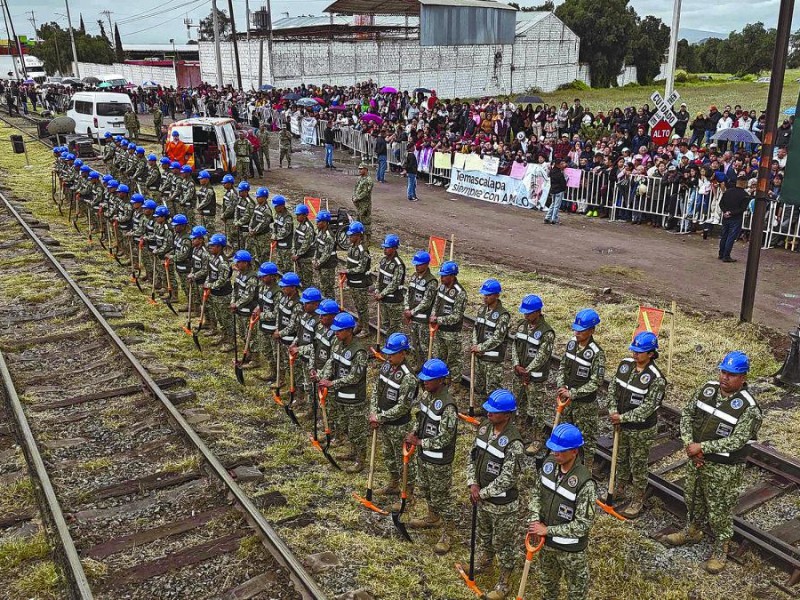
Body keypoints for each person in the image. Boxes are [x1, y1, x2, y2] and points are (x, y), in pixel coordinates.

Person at [663, 351, 762, 574]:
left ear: (743, 377)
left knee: (719, 509)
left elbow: (737, 440)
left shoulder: (749, 408)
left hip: (724, 468)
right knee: (692, 497)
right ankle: (693, 531)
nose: (725, 378)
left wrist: (703, 448)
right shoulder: (706, 389)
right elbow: (687, 414)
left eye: (732, 375)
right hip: (695, 459)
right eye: (723, 372)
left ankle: (721, 548)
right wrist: (690, 445)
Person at [466, 389, 525, 600]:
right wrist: (472, 482)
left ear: (507, 415)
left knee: (504, 543)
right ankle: (485, 560)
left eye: (494, 412)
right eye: (488, 411)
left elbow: (508, 478)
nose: (489, 414)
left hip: (503, 505)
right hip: (482, 499)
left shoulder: (514, 443)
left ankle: (505, 580)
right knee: (485, 534)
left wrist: (483, 493)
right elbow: (472, 457)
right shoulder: (484, 429)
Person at [527, 424, 597, 600]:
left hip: (571, 551)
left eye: (560, 450)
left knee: (576, 592)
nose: (555, 453)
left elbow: (583, 525)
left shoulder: (584, 483)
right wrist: (535, 520)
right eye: (553, 449)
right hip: (546, 545)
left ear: (574, 451)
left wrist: (548, 530)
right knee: (547, 586)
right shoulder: (549, 465)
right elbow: (536, 492)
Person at [607, 331, 666, 519]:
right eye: (633, 350)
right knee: (621, 459)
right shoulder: (625, 366)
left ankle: (638, 499)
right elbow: (612, 389)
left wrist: (622, 418)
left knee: (638, 464)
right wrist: (613, 410)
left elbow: (648, 408)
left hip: (641, 430)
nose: (635, 355)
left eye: (639, 352)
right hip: (621, 425)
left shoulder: (656, 378)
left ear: (650, 354)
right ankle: (620, 489)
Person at [405, 358, 458, 555]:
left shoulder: (448, 406)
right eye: (424, 380)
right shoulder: (426, 397)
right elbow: (420, 419)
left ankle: (448, 532)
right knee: (426, 489)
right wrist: (413, 434)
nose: (425, 383)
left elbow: (445, 437)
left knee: (442, 497)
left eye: (429, 380)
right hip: (423, 456)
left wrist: (421, 443)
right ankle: (432, 516)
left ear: (441, 380)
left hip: (439, 460)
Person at [369, 333, 418, 507]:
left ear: (403, 353)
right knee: (389, 456)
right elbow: (376, 390)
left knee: (403, 461)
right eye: (388, 353)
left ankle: (408, 493)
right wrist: (374, 412)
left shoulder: (408, 378)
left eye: (393, 353)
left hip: (399, 426)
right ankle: (393, 483)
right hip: (383, 422)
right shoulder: (386, 367)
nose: (388, 356)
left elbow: (403, 407)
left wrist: (380, 417)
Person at [319, 312, 369, 474]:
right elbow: (331, 362)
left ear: (349, 330)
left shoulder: (359, 351)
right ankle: (352, 452)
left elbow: (355, 377)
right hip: (340, 394)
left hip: (354, 398)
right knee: (344, 425)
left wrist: (332, 383)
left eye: (339, 330)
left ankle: (360, 460)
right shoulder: (338, 343)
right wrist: (324, 377)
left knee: (357, 431)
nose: (336, 333)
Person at [557, 309, 605, 473]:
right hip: (567, 401)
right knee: (566, 435)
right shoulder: (571, 344)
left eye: (581, 330)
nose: (577, 333)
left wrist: (574, 393)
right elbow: (562, 366)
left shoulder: (597, 354)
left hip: (585, 406)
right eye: (576, 329)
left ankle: (587, 470)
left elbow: (596, 382)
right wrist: (561, 385)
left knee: (587, 440)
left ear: (591, 330)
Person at [511, 294, 555, 455]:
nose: (526, 316)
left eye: (529, 313)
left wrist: (527, 371)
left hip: (535, 379)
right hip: (519, 374)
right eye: (525, 313)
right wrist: (516, 365)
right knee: (519, 404)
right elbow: (514, 346)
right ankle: (520, 430)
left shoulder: (547, 333)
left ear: (538, 312)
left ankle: (537, 439)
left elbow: (542, 356)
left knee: (537, 410)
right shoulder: (521, 325)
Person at [471, 279, 510, 409]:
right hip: (480, 356)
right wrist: (475, 345)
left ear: (497, 295)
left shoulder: (503, 315)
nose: (485, 297)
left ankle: (494, 411)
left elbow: (498, 337)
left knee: (492, 388)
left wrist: (481, 347)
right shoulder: (482, 309)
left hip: (493, 359)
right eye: (484, 295)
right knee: (480, 385)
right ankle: (481, 408)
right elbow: (475, 329)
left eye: (488, 295)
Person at [430, 261, 467, 393]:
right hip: (439, 330)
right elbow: (436, 304)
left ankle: (455, 383)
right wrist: (433, 316)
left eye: (444, 276)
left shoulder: (460, 293)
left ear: (452, 276)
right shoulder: (441, 288)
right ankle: (444, 379)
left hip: (452, 333)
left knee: (454, 359)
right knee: (440, 356)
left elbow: (456, 316)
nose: (442, 278)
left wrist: (438, 319)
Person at [290, 286, 323, 415]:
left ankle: (318, 413)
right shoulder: (305, 315)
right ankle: (310, 408)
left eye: (307, 303)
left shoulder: (320, 321)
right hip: (304, 357)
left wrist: (299, 349)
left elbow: (317, 346)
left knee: (314, 387)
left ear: (315, 304)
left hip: (314, 360)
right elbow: (300, 332)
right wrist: (294, 344)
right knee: (307, 385)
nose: (304, 305)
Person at [403, 250, 438, 371]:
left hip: (423, 320)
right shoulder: (414, 276)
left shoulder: (431, 281)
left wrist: (412, 312)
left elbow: (427, 302)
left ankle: (428, 368)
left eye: (419, 264)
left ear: (426, 264)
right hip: (412, 318)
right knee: (414, 344)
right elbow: (408, 293)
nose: (417, 266)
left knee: (425, 346)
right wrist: (407, 308)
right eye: (416, 264)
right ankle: (417, 364)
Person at [229, 250, 259, 362]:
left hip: (248, 310)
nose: (236, 264)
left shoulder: (252, 277)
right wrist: (233, 302)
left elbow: (248, 296)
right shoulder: (238, 274)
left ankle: (255, 359)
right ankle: (248, 354)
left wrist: (236, 304)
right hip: (239, 310)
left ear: (246, 263)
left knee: (251, 336)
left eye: (238, 262)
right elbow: (234, 290)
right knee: (242, 333)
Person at [274, 272, 303, 386]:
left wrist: (280, 333)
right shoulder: (283, 298)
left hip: (290, 340)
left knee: (294, 369)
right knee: (284, 363)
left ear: (293, 287)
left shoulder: (298, 305)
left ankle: (298, 394)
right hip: (281, 337)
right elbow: (279, 315)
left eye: (285, 286)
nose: (283, 288)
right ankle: (284, 382)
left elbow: (293, 326)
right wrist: (277, 329)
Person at [343, 222, 371, 337]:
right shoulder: (351, 248)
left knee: (363, 307)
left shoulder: (363, 250)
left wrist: (347, 272)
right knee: (357, 305)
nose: (349, 237)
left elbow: (361, 268)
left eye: (352, 235)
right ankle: (359, 324)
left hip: (361, 283)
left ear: (359, 235)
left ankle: (366, 328)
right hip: (352, 282)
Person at [254, 261, 281, 382]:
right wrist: (258, 308)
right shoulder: (262, 286)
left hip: (273, 327)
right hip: (263, 326)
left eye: (264, 276)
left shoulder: (278, 292)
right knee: (266, 351)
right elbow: (261, 302)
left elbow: (277, 314)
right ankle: (272, 371)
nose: (262, 278)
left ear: (272, 276)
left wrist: (262, 315)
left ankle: (280, 377)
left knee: (277, 355)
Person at [374, 234, 406, 337]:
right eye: (384, 247)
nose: (385, 249)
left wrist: (382, 294)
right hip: (383, 300)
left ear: (394, 248)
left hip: (394, 301)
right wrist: (376, 290)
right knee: (385, 324)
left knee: (395, 327)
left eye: (387, 248)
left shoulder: (398, 264)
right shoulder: (383, 260)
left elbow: (395, 283)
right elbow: (379, 277)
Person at [718, 174, 750, 262]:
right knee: (731, 237)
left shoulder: (728, 192)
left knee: (724, 235)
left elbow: (721, 203)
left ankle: (721, 254)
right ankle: (726, 255)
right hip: (735, 218)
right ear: (744, 183)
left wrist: (725, 212)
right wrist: (731, 213)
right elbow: (742, 209)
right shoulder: (745, 195)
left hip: (726, 217)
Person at [313, 210, 337, 299]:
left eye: (318, 221)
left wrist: (318, 263)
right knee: (321, 286)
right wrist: (315, 260)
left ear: (325, 222)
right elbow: (317, 247)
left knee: (328, 289)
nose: (317, 223)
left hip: (328, 266)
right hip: (321, 264)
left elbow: (327, 254)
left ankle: (331, 307)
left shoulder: (329, 236)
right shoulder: (320, 232)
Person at [293, 204, 315, 289]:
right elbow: (295, 239)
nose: (297, 217)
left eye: (299, 215)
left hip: (306, 258)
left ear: (305, 215)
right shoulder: (299, 225)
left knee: (307, 281)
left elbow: (306, 244)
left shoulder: (308, 228)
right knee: (299, 279)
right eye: (297, 215)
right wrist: (294, 251)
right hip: (299, 257)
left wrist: (297, 254)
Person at [248, 187, 273, 262]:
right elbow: (253, 218)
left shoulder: (267, 210)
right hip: (255, 235)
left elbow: (264, 223)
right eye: (257, 197)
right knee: (256, 254)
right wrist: (250, 227)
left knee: (263, 256)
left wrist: (254, 231)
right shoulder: (257, 206)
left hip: (263, 237)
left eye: (259, 197)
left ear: (264, 198)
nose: (257, 198)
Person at [352, 163, 374, 244]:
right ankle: (359, 237)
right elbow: (355, 188)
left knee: (365, 222)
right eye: (359, 169)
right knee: (358, 220)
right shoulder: (359, 178)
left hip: (365, 205)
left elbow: (366, 192)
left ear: (366, 169)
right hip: (358, 204)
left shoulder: (369, 180)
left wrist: (357, 198)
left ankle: (367, 239)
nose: (360, 170)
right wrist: (353, 196)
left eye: (361, 169)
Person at [272, 195, 294, 274]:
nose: (275, 208)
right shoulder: (277, 214)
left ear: (282, 206)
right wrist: (273, 234)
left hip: (286, 247)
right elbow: (275, 226)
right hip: (279, 246)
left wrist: (275, 237)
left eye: (276, 206)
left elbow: (285, 231)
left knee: (287, 267)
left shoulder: (288, 217)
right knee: (279, 265)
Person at [233, 181, 255, 251]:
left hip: (246, 229)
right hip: (240, 227)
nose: (239, 192)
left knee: (247, 248)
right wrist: (235, 220)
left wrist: (238, 222)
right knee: (240, 245)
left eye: (240, 191)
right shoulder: (240, 200)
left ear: (245, 191)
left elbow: (248, 216)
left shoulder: (250, 203)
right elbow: (236, 210)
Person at [545, 159, 567, 225]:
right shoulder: (559, 173)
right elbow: (563, 182)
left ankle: (548, 217)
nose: (562, 165)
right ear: (558, 165)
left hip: (553, 189)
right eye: (561, 164)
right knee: (556, 205)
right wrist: (564, 188)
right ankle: (554, 219)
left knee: (553, 204)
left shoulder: (552, 171)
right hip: (559, 190)